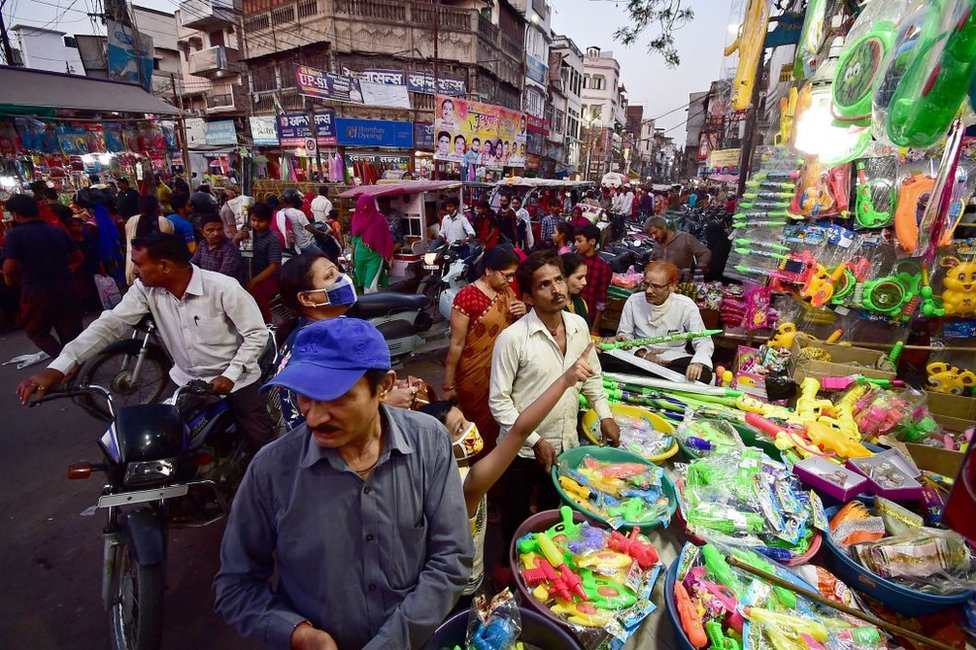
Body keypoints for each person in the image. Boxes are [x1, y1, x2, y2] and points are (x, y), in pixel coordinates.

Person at [215, 318, 474, 649]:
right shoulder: (271, 470)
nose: (313, 417)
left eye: (336, 398)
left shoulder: (429, 441)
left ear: (383, 387)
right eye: (304, 397)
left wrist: (393, 642)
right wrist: (298, 633)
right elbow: (236, 584)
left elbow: (452, 556)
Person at [17, 233, 274, 450]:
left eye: (138, 264)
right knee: (158, 441)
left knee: (261, 443)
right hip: (185, 380)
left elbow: (256, 334)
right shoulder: (145, 290)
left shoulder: (224, 288)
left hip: (237, 381)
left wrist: (230, 375)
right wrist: (59, 366)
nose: (134, 271)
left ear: (164, 266)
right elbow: (110, 324)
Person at [420, 343, 597, 602]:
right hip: (462, 583)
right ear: (438, 446)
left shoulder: (432, 474)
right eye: (460, 429)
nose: (471, 427)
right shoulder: (467, 483)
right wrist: (566, 379)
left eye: (466, 420)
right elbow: (520, 430)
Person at [489, 250, 619, 552]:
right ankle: (510, 570)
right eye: (544, 284)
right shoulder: (513, 339)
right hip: (519, 451)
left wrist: (605, 414)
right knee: (516, 519)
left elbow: (593, 376)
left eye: (559, 280)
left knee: (554, 516)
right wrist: (534, 440)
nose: (557, 289)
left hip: (564, 444)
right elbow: (499, 402)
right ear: (529, 297)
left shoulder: (578, 326)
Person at [443, 246, 524, 452]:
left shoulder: (507, 292)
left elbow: (515, 331)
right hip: (473, 375)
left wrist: (523, 312)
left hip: (502, 372)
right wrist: (448, 384)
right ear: (489, 271)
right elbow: (457, 343)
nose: (511, 281)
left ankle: (493, 466)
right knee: (473, 426)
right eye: (507, 276)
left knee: (498, 420)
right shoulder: (467, 297)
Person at [2, 194, 84, 357]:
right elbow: (79, 258)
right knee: (71, 333)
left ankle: (65, 364)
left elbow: (10, 268)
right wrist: (69, 271)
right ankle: (76, 366)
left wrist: (13, 279)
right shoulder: (56, 231)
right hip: (65, 287)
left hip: (36, 290)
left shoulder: (15, 235)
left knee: (36, 331)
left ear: (16, 214)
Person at [616, 260, 714, 382]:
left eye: (656, 286)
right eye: (646, 284)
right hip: (639, 356)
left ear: (671, 287)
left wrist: (697, 363)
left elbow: (703, 339)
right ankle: (661, 379)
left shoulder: (686, 305)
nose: (648, 291)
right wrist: (643, 354)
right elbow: (624, 336)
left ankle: (649, 378)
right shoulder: (633, 301)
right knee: (606, 359)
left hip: (671, 360)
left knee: (703, 375)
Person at [234, 202, 282, 323]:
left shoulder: (272, 239)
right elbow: (232, 251)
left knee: (257, 294)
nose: (256, 224)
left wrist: (254, 281)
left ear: (268, 221)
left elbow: (274, 265)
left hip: (266, 277)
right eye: (253, 220)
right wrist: (236, 239)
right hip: (246, 273)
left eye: (260, 221)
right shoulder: (246, 233)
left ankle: (266, 324)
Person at [124, 195, 174, 285]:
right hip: (156, 271)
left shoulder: (132, 220)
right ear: (156, 207)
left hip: (133, 270)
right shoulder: (162, 221)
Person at [350, 194, 394, 294]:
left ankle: (373, 308)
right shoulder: (356, 218)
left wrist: (390, 256)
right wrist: (352, 257)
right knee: (361, 282)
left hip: (375, 256)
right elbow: (354, 239)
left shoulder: (380, 219)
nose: (365, 207)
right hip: (359, 256)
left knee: (370, 287)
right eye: (362, 204)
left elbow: (386, 237)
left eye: (367, 204)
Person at [573, 223, 612, 334]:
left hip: (588, 317)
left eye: (579, 241)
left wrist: (595, 327)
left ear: (592, 242)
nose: (575, 244)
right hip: (570, 312)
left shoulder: (602, 267)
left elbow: (601, 300)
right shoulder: (573, 261)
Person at [645, 215, 712, 273]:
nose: (653, 237)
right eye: (651, 235)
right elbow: (653, 260)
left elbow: (705, 252)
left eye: (655, 232)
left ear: (664, 227)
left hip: (681, 283)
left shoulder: (685, 238)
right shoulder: (657, 243)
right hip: (662, 283)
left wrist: (701, 266)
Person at [192, 214, 247, 285]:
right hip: (206, 285)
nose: (216, 233)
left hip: (225, 288)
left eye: (219, 229)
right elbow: (193, 264)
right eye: (210, 230)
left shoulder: (230, 248)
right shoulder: (202, 244)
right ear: (202, 232)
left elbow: (223, 276)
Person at [68, 216, 103, 313]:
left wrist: (101, 266)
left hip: (92, 264)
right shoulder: (70, 241)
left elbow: (96, 252)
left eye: (79, 225)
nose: (76, 228)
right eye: (73, 226)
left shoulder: (88, 237)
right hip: (80, 268)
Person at [276, 188, 320, 255]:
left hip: (289, 245)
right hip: (303, 245)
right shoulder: (298, 213)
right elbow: (310, 229)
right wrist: (322, 233)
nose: (301, 200)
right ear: (295, 200)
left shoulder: (281, 211)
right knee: (323, 256)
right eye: (299, 198)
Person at [561, 252, 589, 329]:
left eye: (585, 277)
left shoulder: (581, 303)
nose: (585, 282)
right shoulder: (553, 308)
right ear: (563, 277)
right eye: (579, 278)